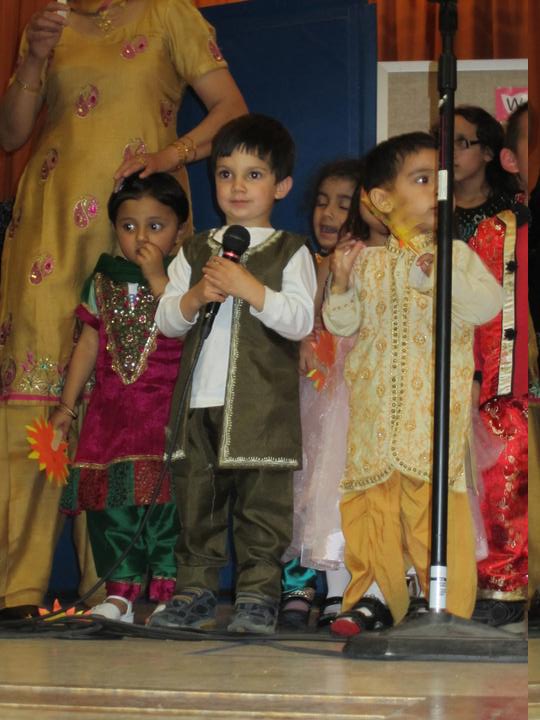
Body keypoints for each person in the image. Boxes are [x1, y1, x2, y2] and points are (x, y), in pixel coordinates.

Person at [0, 0, 246, 618]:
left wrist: (171, 155)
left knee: (130, 393)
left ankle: (118, 589)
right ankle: (17, 589)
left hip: (143, 234)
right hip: (50, 231)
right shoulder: (48, 24)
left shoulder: (166, 12)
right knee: (34, 390)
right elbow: (11, 135)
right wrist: (32, 57)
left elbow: (232, 110)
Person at [322, 132, 504, 635]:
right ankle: (374, 597)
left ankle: (439, 600)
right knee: (372, 508)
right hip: (374, 420)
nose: (436, 191)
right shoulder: (367, 261)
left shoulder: (456, 255)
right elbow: (342, 324)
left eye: (440, 181)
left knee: (432, 509)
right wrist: (341, 283)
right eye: (422, 180)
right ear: (383, 200)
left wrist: (440, 271)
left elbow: (487, 306)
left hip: (430, 421)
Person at [147, 113, 317, 634]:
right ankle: (194, 592)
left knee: (262, 508)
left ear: (281, 186)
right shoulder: (195, 250)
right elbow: (167, 320)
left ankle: (257, 597)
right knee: (197, 504)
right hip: (197, 404)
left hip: (262, 409)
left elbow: (300, 320)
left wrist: (250, 288)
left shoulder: (292, 250)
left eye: (254, 174)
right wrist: (197, 295)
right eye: (226, 174)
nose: (238, 186)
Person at [50, 171, 188, 622]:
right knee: (111, 508)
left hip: (165, 413)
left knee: (165, 506)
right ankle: (120, 594)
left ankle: (168, 593)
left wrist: (156, 276)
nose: (141, 238)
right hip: (110, 416)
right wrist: (67, 407)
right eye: (129, 226)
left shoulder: (185, 278)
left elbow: (189, 329)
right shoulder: (103, 280)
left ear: (180, 231)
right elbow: (89, 342)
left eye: (156, 226)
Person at [280, 159, 389, 630]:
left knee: (354, 489)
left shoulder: (375, 260)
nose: (327, 213)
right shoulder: (318, 262)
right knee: (318, 489)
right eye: (321, 202)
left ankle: (360, 588)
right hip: (322, 392)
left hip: (362, 392)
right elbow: (308, 321)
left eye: (343, 204)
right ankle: (327, 586)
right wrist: (304, 342)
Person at [468, 102, 529, 627]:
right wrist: (473, 378)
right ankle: (504, 588)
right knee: (505, 487)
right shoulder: (493, 233)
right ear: (510, 159)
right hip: (509, 389)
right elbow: (473, 316)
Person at [450, 106, 519, 243]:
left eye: (461, 142)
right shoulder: (432, 207)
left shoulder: (512, 206)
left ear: (488, 152)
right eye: (444, 142)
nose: (449, 151)